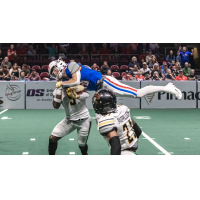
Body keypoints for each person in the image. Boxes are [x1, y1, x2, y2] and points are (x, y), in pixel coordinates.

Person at [51, 60, 182, 101]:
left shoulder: (70, 66)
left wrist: (61, 84)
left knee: (138, 93)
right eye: (52, 73)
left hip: (106, 82)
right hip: (100, 88)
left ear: (59, 65)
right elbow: (84, 93)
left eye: (54, 70)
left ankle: (167, 87)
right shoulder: (68, 79)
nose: (54, 73)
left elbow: (75, 81)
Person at [92, 89, 142, 155]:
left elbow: (116, 145)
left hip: (123, 152)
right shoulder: (123, 108)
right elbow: (138, 130)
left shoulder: (106, 120)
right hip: (132, 149)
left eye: (97, 102)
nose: (96, 104)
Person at [49, 85, 92, 155]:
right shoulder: (57, 90)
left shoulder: (77, 85)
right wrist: (59, 91)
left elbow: (87, 94)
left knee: (82, 145)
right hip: (69, 120)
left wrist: (76, 95)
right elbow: (56, 106)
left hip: (84, 120)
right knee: (52, 138)